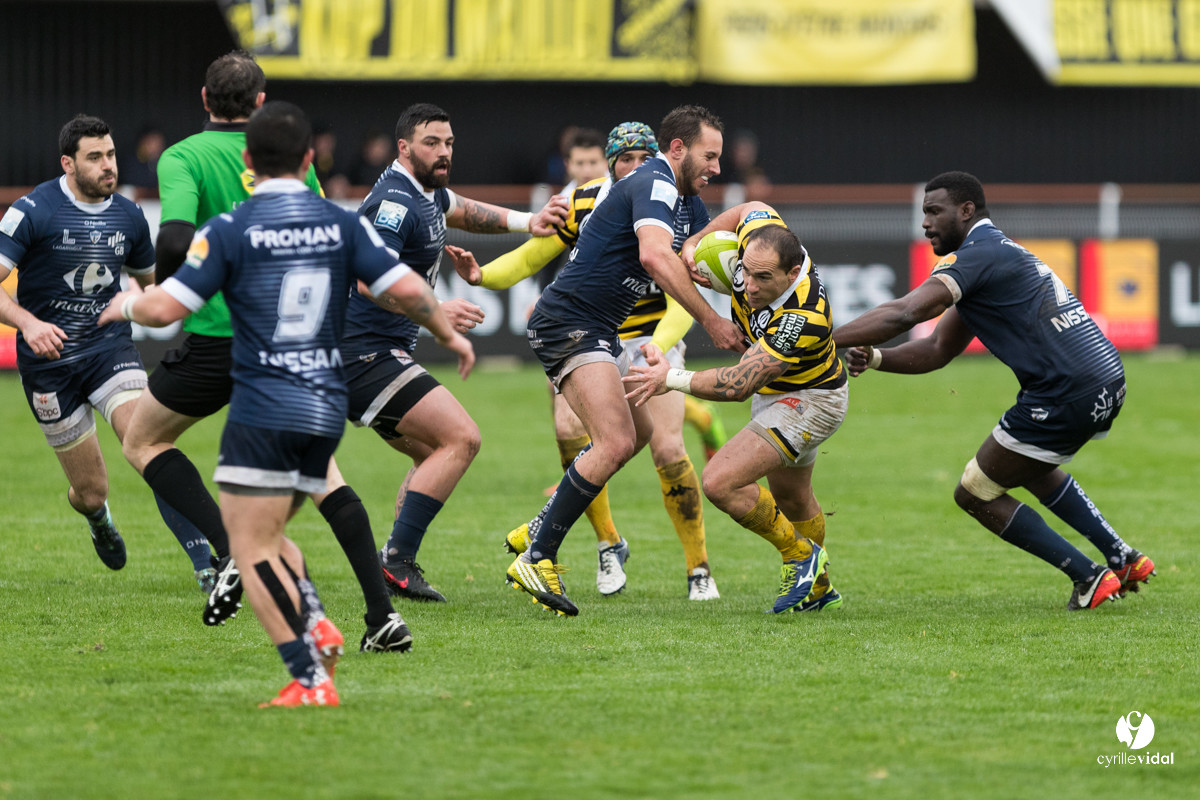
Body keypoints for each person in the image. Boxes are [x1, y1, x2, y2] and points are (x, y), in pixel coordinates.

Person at [100, 100, 475, 707]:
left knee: (247, 548)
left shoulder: (231, 229)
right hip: (324, 401)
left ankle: (309, 673)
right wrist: (448, 332)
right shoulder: (341, 221)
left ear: (248, 162)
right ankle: (322, 621)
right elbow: (403, 284)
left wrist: (125, 306)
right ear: (307, 160)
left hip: (265, 403)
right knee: (271, 534)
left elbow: (168, 307)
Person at [120, 51, 413, 654]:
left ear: (205, 99)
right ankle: (381, 615)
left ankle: (228, 551)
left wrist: (167, 291)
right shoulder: (284, 157)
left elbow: (173, 236)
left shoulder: (183, 156)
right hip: (286, 345)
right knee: (322, 476)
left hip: (215, 341)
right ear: (260, 102)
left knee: (143, 439)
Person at [832, 171, 1156, 611]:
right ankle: (1122, 557)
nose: (925, 224)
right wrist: (875, 358)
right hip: (1104, 380)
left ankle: (1088, 575)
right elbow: (938, 349)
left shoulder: (977, 254)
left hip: (1064, 391)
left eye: (933, 212)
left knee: (974, 492)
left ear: (966, 211)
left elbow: (906, 311)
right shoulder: (996, 255)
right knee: (1031, 465)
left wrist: (824, 337)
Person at [487, 105, 744, 617]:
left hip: (593, 327)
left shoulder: (675, 194)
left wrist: (744, 216)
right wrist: (714, 322)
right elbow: (653, 256)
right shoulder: (655, 184)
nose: (716, 167)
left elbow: (691, 242)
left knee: (643, 435)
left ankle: (539, 533)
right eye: (709, 156)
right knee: (617, 440)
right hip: (571, 324)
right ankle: (540, 554)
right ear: (678, 150)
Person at [347, 102, 568, 604]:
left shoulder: (425, 191)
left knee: (433, 455)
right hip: (363, 353)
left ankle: (393, 561)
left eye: (448, 143)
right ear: (404, 147)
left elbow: (463, 209)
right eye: (432, 143)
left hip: (374, 351)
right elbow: (366, 279)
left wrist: (527, 221)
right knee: (462, 438)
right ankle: (397, 562)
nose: (443, 152)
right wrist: (436, 310)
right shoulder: (395, 203)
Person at [0, 114, 209, 579]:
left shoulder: (129, 214)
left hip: (108, 349)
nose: (108, 166)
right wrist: (28, 323)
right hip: (49, 364)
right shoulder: (32, 210)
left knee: (148, 440)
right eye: (94, 158)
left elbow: (152, 287)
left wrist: (144, 300)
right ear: (68, 165)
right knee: (91, 491)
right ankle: (98, 519)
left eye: (110, 155)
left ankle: (206, 562)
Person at [624, 204, 841, 613]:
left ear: (793, 275)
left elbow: (739, 384)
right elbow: (751, 208)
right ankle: (819, 588)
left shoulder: (803, 315)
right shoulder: (762, 241)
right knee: (793, 499)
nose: (749, 286)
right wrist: (693, 242)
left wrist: (668, 378)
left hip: (810, 399)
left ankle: (801, 555)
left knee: (720, 482)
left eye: (764, 278)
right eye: (744, 271)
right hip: (777, 392)